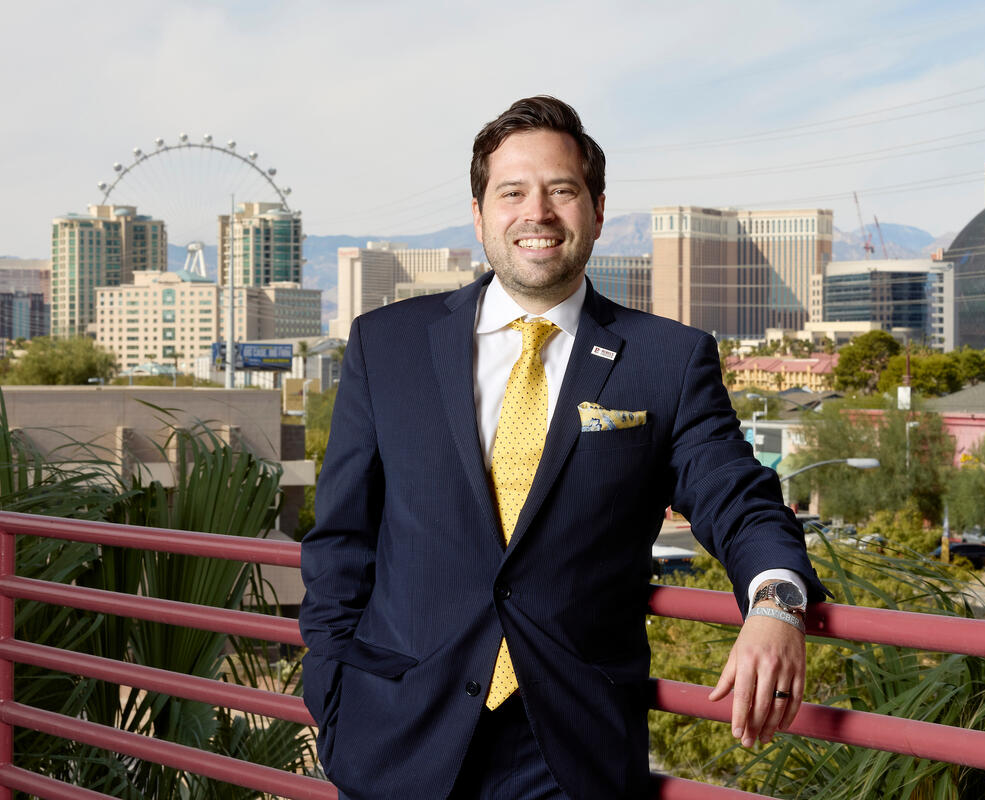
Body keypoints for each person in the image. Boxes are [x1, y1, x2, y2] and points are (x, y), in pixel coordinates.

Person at [299, 95, 828, 800]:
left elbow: (739, 499)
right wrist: (331, 695)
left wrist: (776, 605)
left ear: (598, 210)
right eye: (512, 192)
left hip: (566, 754)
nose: (538, 213)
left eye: (562, 190)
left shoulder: (667, 361)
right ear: (479, 213)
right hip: (395, 735)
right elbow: (342, 540)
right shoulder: (386, 344)